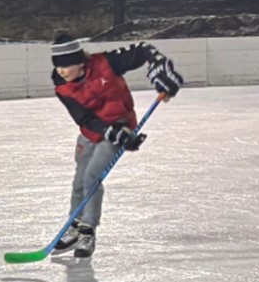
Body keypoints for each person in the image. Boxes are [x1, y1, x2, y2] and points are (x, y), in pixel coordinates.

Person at [47, 34, 184, 260]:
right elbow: (82, 117)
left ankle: (88, 231)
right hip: (92, 131)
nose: (62, 71)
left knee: (92, 177)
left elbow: (141, 49)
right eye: (58, 66)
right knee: (79, 181)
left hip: (119, 125)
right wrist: (109, 131)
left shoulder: (106, 63)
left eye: (67, 65)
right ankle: (74, 224)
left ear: (80, 61)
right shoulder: (62, 85)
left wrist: (158, 63)